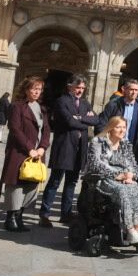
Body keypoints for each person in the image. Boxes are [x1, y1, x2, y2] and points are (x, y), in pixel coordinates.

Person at [40, 77, 102, 228]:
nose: (80, 90)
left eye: (82, 88)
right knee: (55, 181)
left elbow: (96, 120)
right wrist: (83, 120)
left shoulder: (85, 103)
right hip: (65, 146)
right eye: (77, 87)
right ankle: (45, 214)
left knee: (72, 182)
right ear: (69, 87)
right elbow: (69, 121)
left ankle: (66, 214)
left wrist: (79, 118)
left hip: (80, 147)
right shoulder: (62, 101)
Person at [84, 115, 138, 245]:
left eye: (124, 127)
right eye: (118, 127)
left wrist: (130, 175)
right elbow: (96, 164)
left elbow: (133, 164)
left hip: (123, 178)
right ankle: (130, 230)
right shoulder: (98, 142)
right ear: (110, 128)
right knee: (122, 191)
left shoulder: (125, 144)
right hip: (102, 178)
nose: (122, 130)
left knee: (135, 188)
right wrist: (117, 174)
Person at [0, 75, 51, 232]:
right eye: (34, 89)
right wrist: (30, 148)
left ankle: (20, 215)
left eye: (39, 89)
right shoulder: (17, 107)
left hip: (38, 153)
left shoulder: (41, 109)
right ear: (26, 89)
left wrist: (42, 147)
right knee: (16, 184)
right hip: (20, 151)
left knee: (32, 183)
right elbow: (15, 129)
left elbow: (46, 130)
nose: (36, 92)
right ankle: (11, 217)